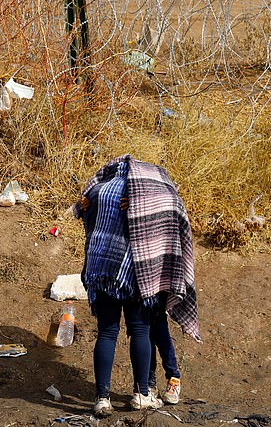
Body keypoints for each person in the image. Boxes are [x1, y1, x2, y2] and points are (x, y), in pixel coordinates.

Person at [74, 154, 200, 417]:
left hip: (103, 269)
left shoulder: (100, 190)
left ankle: (102, 399)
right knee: (140, 332)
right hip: (137, 272)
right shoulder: (158, 191)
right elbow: (175, 214)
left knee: (107, 333)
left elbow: (83, 211)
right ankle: (142, 394)